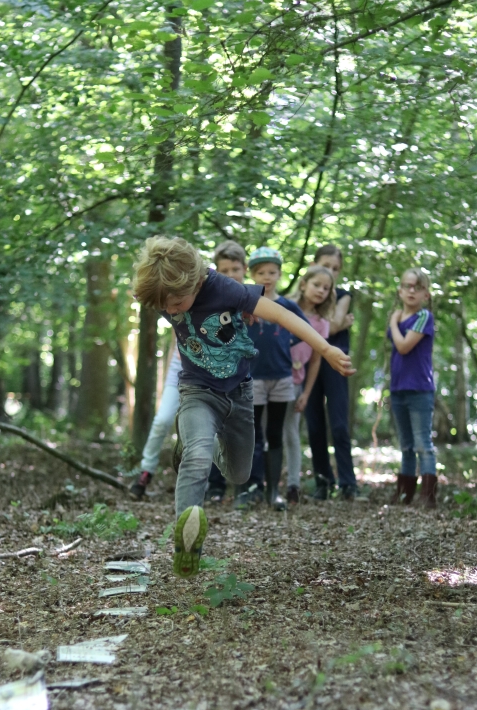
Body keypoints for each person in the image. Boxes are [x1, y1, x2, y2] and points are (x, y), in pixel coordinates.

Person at [131, 235, 354, 576]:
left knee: (240, 473)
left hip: (239, 394)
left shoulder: (223, 288)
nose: (171, 311)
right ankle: (186, 547)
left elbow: (280, 314)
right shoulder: (164, 292)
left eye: (176, 303)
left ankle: (197, 443)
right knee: (198, 456)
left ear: (194, 282)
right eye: (166, 306)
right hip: (197, 390)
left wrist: (325, 349)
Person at [130, 240, 248, 500]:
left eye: (235, 270)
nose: (229, 275)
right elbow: (148, 292)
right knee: (162, 420)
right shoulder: (185, 290)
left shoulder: (234, 299)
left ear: (244, 270)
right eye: (224, 269)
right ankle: (146, 471)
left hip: (218, 376)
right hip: (182, 369)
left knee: (214, 432)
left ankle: (202, 469)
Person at [235, 247, 312, 511]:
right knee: (253, 434)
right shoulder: (246, 303)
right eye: (260, 273)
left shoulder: (287, 306)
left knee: (275, 434)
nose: (266, 277)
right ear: (252, 274)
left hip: (282, 377)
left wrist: (286, 342)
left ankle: (273, 492)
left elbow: (305, 330)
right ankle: (246, 490)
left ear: (279, 274)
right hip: (253, 377)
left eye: (271, 272)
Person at [304, 244, 358, 500]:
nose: (331, 272)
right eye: (326, 266)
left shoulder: (344, 295)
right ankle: (323, 481)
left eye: (335, 268)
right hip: (310, 362)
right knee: (314, 425)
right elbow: (331, 324)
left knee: (338, 424)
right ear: (314, 264)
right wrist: (336, 324)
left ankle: (348, 483)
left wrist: (337, 324)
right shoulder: (306, 296)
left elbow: (332, 324)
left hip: (337, 363)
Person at [282, 265, 335, 502]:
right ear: (303, 284)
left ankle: (293, 485)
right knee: (263, 432)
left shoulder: (321, 324)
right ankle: (260, 482)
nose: (321, 291)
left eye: (326, 288)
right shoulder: (282, 307)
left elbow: (315, 361)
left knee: (291, 432)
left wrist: (306, 392)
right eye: (316, 285)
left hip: (296, 383)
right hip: (270, 379)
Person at [387, 268, 437, 508]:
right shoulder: (399, 316)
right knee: (406, 445)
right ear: (400, 290)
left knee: (422, 444)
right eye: (407, 286)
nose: (411, 291)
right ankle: (405, 495)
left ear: (425, 294)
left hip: (419, 388)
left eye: (417, 287)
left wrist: (393, 322)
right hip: (398, 388)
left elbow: (404, 346)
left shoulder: (424, 317)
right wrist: (395, 320)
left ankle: (428, 497)